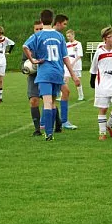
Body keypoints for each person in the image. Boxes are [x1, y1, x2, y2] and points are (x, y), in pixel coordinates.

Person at [23, 10, 80, 141]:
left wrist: (32, 60)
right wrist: (74, 76)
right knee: (53, 102)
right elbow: (65, 58)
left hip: (45, 73)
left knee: (47, 102)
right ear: (53, 20)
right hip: (57, 73)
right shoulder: (59, 36)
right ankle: (55, 128)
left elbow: (25, 46)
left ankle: (49, 134)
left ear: (41, 20)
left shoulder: (38, 35)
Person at [89, 27, 112, 140]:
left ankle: (108, 126)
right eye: (110, 37)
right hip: (102, 85)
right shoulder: (99, 52)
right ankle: (102, 133)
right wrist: (92, 81)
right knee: (103, 109)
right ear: (105, 39)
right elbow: (94, 68)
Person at [53, 15, 77, 130]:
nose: (65, 26)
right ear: (58, 23)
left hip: (58, 70)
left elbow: (64, 56)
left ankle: (63, 121)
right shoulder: (54, 36)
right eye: (64, 24)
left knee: (64, 92)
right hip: (51, 71)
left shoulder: (60, 36)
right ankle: (45, 123)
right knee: (50, 97)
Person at [23, 20, 44, 136]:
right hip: (33, 77)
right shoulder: (29, 43)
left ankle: (58, 123)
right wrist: (26, 68)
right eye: (37, 29)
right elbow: (23, 62)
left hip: (46, 75)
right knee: (33, 101)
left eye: (41, 29)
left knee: (49, 102)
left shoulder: (48, 41)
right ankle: (37, 129)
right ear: (33, 30)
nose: (39, 31)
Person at [65, 29, 85, 101]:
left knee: (77, 80)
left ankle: (81, 95)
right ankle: (63, 95)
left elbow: (80, 55)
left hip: (76, 64)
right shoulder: (66, 45)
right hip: (68, 64)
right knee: (65, 79)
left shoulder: (78, 44)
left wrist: (73, 63)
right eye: (67, 36)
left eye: (69, 36)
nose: (68, 38)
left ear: (73, 35)